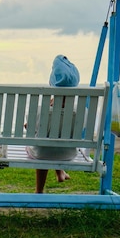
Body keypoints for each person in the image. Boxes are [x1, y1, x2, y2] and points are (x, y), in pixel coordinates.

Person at [27, 55, 80, 193]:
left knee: (43, 143)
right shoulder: (81, 112)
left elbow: (30, 128)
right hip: (68, 153)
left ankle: (39, 190)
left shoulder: (42, 110)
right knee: (53, 138)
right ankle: (60, 172)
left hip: (43, 153)